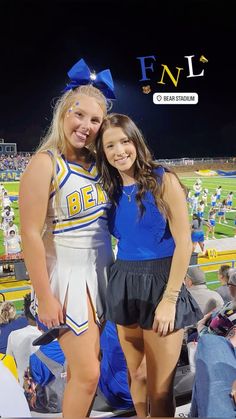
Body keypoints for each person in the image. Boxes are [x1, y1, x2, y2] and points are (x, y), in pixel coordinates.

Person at [19, 57, 115, 418]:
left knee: (84, 370)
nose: (86, 126)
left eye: (95, 120)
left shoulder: (100, 163)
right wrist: (44, 296)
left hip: (103, 273)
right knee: (89, 375)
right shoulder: (45, 163)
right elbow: (30, 233)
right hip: (68, 278)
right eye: (79, 115)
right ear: (63, 112)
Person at [95, 113, 202, 417]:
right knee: (137, 377)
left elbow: (184, 243)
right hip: (124, 281)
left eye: (124, 141)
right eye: (110, 145)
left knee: (160, 388)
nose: (119, 151)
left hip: (161, 283)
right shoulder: (111, 189)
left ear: (135, 141)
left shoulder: (162, 179)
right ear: (103, 152)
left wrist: (169, 299)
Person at [6, 293, 42, 386]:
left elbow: (9, 363)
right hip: (47, 391)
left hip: (22, 388)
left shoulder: (14, 335)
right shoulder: (53, 337)